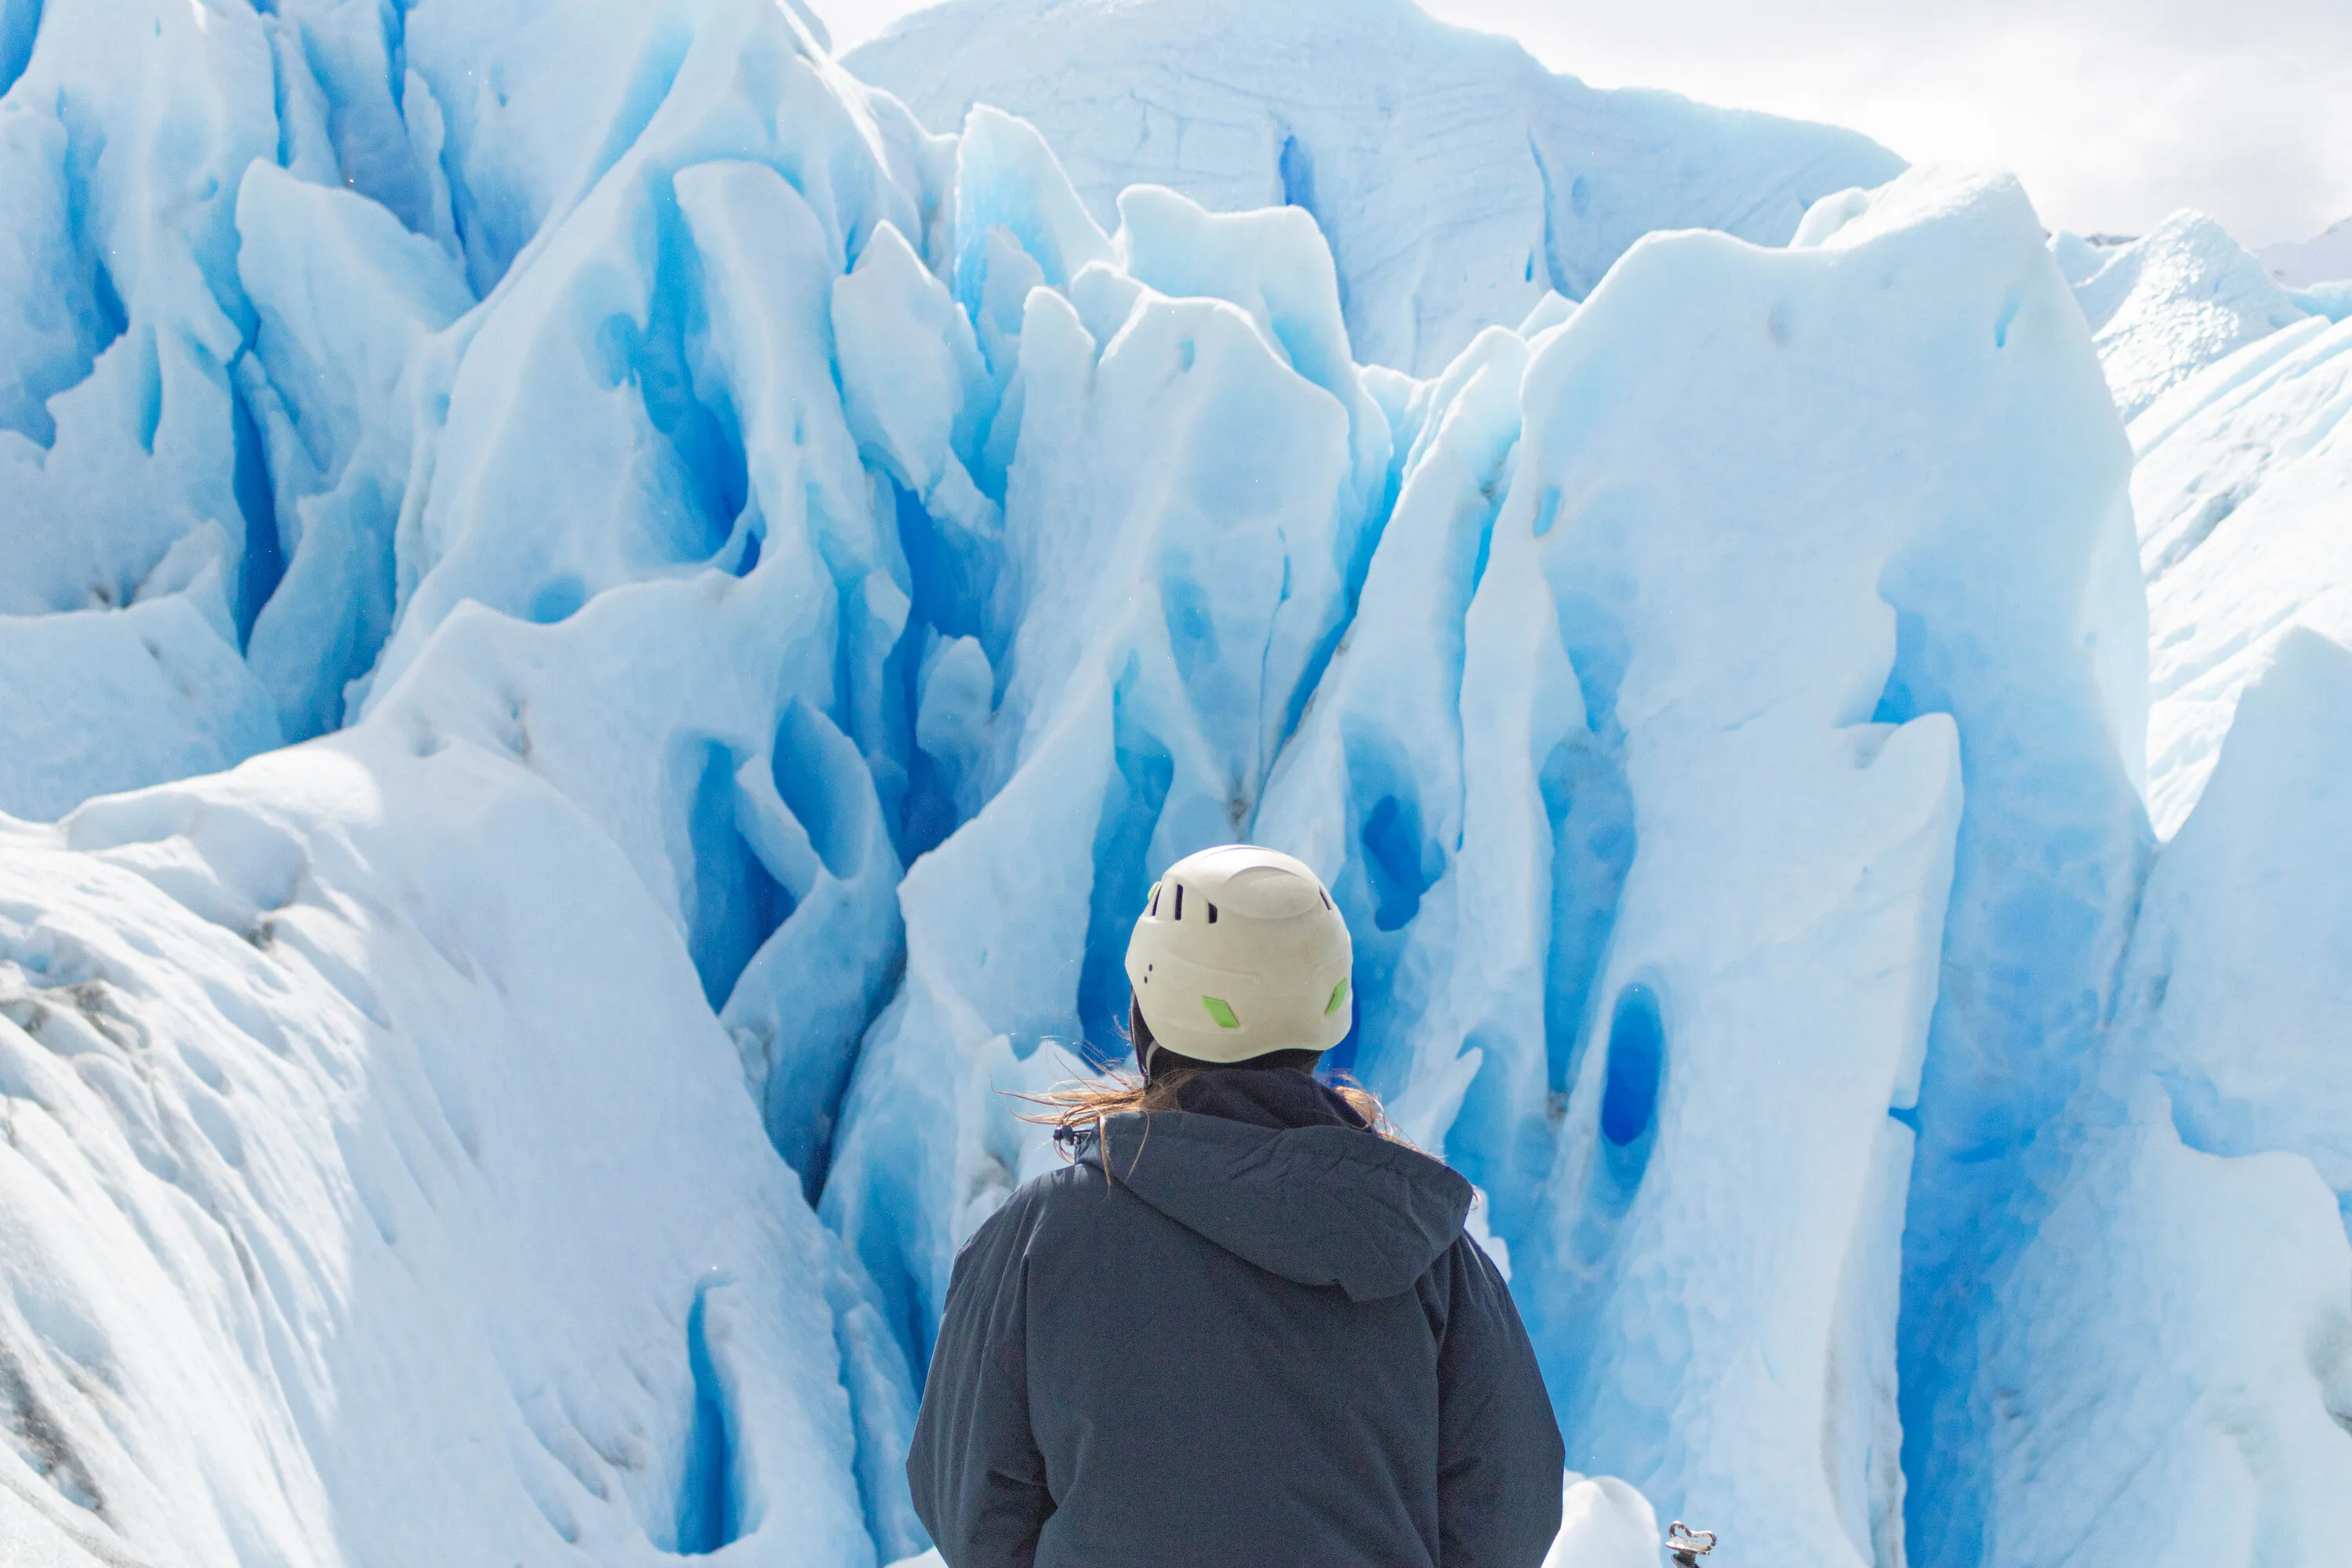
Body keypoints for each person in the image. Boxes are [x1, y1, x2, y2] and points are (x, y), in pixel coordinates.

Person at [907, 844, 1566, 1567]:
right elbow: (1509, 1513)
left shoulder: (1044, 1235)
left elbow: (967, 1504)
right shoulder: (1420, 1243)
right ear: (1327, 1007)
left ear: (1148, 1010)